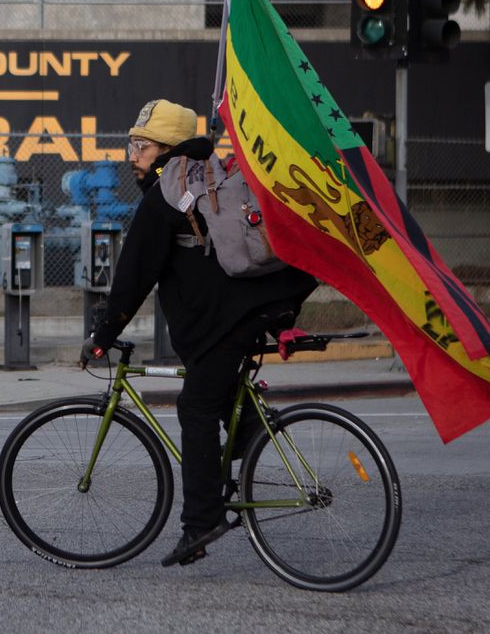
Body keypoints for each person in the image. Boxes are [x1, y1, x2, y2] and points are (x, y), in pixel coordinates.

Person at [82, 98, 318, 567]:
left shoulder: (165, 193)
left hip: (229, 320)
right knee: (219, 392)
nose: (132, 154)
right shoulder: (206, 175)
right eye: (132, 144)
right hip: (259, 306)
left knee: (195, 406)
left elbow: (133, 275)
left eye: (141, 145)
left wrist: (102, 335)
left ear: (167, 148)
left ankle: (201, 522)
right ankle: (252, 439)